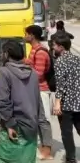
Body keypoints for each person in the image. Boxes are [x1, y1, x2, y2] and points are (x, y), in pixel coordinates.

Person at [0, 40, 44, 163]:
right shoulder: (32, 73)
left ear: (6, 54)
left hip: (14, 126)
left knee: (6, 159)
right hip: (31, 125)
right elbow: (38, 101)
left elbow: (3, 101)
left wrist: (10, 125)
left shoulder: (3, 72)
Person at [23, 25, 54, 159]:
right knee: (38, 119)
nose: (25, 36)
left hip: (41, 90)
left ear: (32, 36)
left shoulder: (40, 52)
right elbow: (32, 65)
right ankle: (42, 146)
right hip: (35, 89)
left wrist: (24, 71)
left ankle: (47, 151)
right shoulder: (33, 50)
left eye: (26, 34)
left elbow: (39, 74)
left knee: (44, 121)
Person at [51, 33, 80, 161]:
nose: (52, 47)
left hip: (67, 102)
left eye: (54, 45)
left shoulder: (60, 62)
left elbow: (61, 85)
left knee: (66, 132)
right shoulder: (77, 59)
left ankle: (70, 158)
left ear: (61, 47)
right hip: (78, 101)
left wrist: (57, 103)